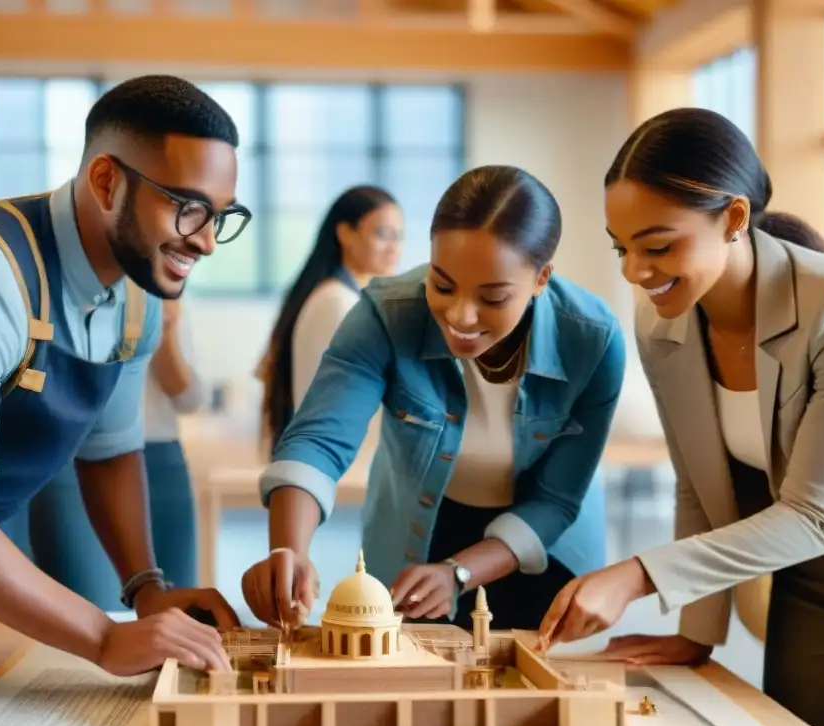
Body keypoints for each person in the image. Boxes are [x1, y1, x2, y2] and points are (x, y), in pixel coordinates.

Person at [0, 74, 249, 715]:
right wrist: (104, 637)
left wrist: (145, 589)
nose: (207, 239)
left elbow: (109, 449)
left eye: (220, 215)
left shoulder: (138, 295)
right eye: (187, 207)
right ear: (107, 181)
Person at [537, 107, 824, 726]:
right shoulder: (663, 330)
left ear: (734, 218)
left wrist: (639, 574)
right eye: (624, 248)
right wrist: (695, 631)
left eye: (659, 245)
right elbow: (699, 487)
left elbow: (817, 515)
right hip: (805, 586)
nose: (635, 273)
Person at [241, 165, 625, 633]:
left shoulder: (592, 338)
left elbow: (556, 499)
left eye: (493, 297)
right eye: (442, 285)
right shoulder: (387, 312)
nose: (460, 315)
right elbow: (320, 438)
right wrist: (289, 549)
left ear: (541, 278)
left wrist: (459, 572)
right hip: (418, 531)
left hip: (541, 545)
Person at [27, 292, 205, 608]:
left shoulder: (165, 288)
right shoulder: (61, 288)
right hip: (75, 459)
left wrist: (161, 330)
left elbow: (189, 398)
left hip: (161, 458)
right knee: (97, 608)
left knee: (179, 614)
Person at [256, 184, 402, 453]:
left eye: (398, 236)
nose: (394, 248)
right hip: (339, 464)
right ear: (346, 233)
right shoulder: (339, 303)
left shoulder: (336, 296)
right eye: (382, 234)